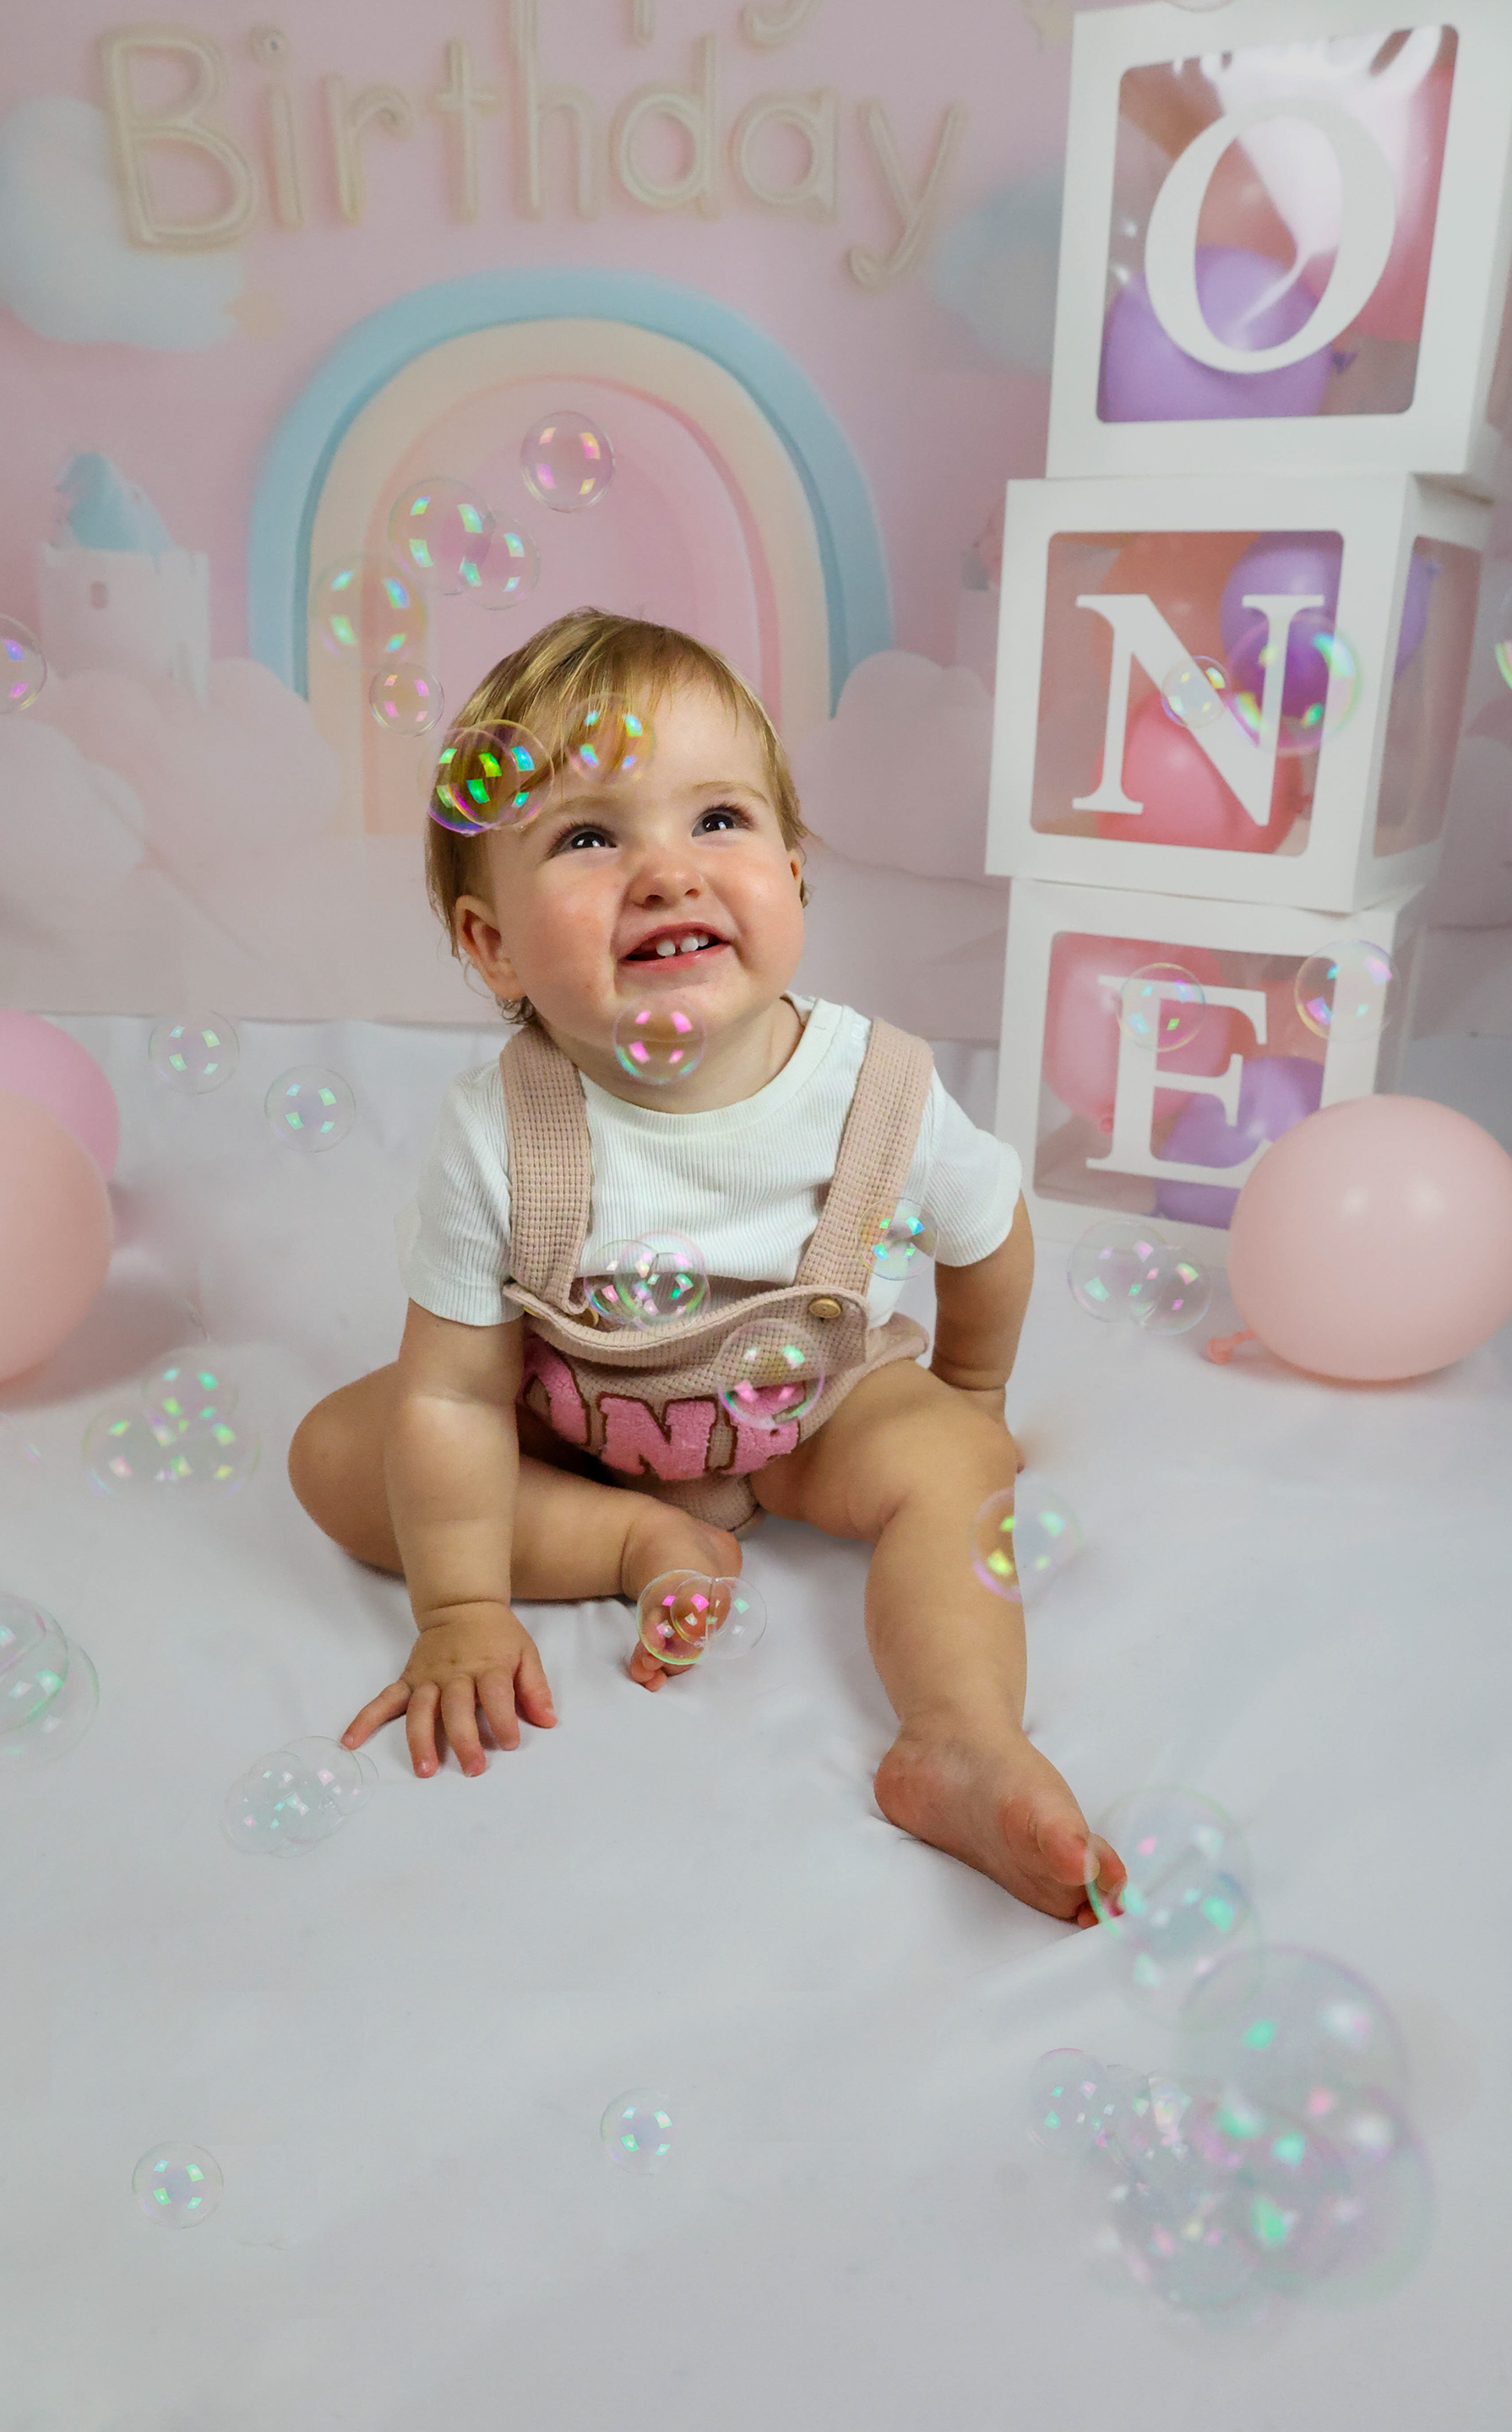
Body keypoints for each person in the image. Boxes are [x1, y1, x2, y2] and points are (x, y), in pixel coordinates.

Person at [289, 611, 1125, 1926]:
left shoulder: (877, 1091)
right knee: (341, 1454)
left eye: (718, 819)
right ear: (493, 945)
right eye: (588, 837)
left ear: (794, 873)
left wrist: (970, 1390)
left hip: (815, 1419)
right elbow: (453, 1392)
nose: (666, 872)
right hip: (574, 1420)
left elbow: (989, 1233)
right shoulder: (501, 1130)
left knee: (955, 1469)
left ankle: (960, 1734)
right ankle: (635, 1539)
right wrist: (460, 1607)